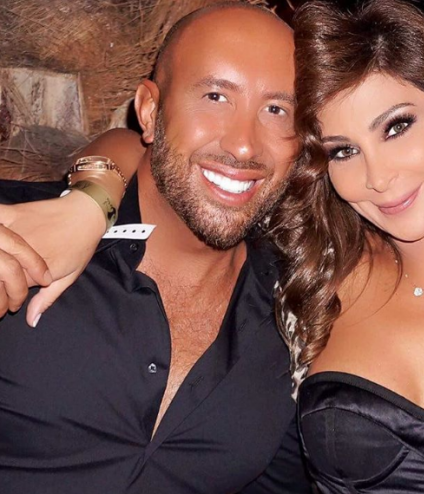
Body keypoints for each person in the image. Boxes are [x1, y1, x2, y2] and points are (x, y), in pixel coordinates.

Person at [0, 3, 312, 493]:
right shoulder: (18, 233)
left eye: (277, 110)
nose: (244, 146)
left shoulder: (298, 312)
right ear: (149, 111)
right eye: (215, 96)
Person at [271, 0, 424, 492]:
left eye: (396, 127)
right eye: (344, 151)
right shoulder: (313, 282)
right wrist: (104, 177)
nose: (377, 178)